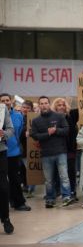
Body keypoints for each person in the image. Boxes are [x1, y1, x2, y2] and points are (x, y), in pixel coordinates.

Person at [31, 96, 74, 208]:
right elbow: (34, 136)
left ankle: (66, 197)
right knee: (48, 179)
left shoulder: (59, 116)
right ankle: (50, 198)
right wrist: (48, 134)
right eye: (41, 103)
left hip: (61, 151)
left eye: (46, 103)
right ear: (39, 105)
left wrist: (56, 130)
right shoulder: (36, 121)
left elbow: (66, 130)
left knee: (64, 176)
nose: (44, 105)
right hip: (46, 153)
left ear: (49, 104)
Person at [0, 94, 30, 211]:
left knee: (14, 178)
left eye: (7, 100)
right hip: (1, 151)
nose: (6, 102)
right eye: (3, 100)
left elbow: (20, 133)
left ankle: (18, 202)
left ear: (11, 101)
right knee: (2, 181)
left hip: (13, 152)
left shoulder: (18, 116)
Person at [51, 97, 79, 201]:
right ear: (55, 107)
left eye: (63, 105)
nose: (61, 107)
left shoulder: (71, 116)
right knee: (58, 172)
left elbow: (82, 106)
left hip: (70, 149)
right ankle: (59, 191)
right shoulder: (51, 118)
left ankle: (72, 191)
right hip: (57, 149)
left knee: (71, 171)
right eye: (59, 105)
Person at [0, 104, 15, 234]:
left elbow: (11, 129)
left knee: (3, 187)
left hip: (0, 152)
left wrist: (3, 133)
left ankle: (5, 218)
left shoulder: (2, 108)